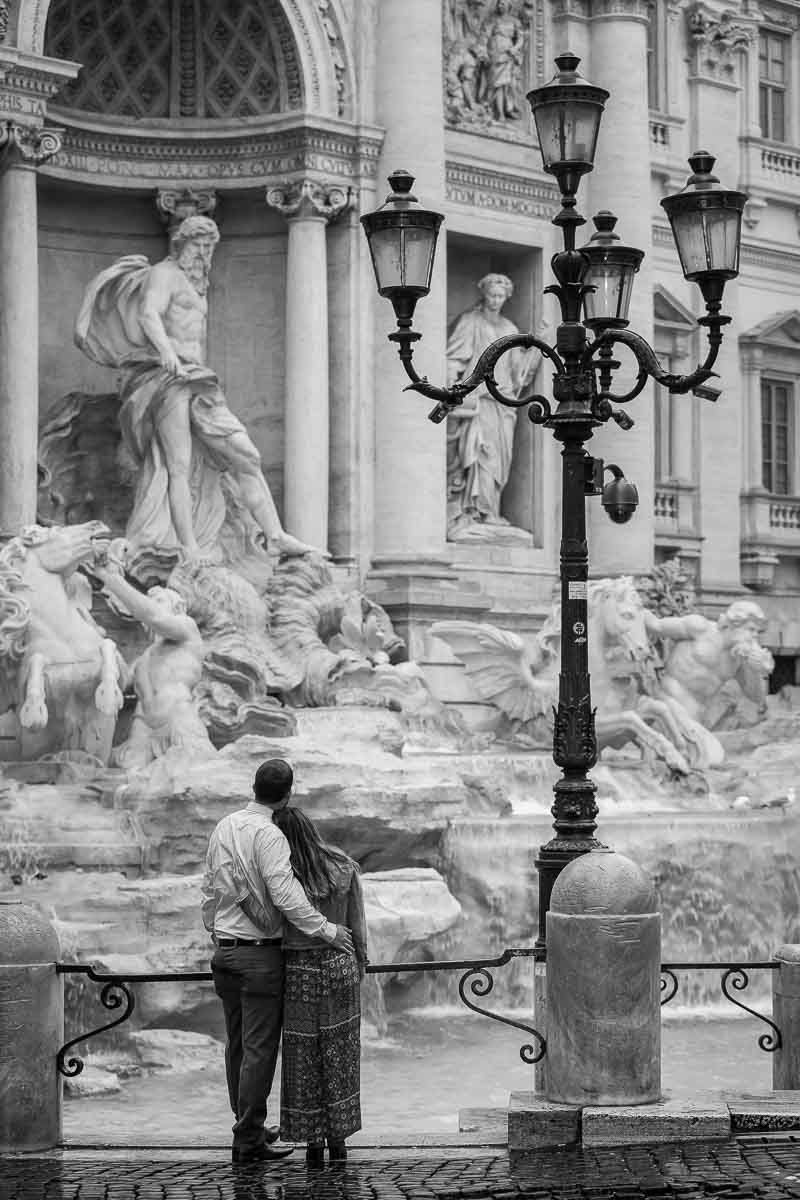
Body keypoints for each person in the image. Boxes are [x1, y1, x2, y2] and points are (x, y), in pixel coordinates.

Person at [75, 215, 316, 562]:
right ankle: (189, 548)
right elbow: (148, 314)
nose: (203, 254)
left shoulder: (196, 283)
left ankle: (274, 534)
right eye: (197, 246)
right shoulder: (164, 274)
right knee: (179, 465)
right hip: (168, 378)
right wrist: (168, 353)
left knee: (247, 455)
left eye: (208, 248)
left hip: (199, 379)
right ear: (181, 244)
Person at [200, 758, 354, 1165]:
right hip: (259, 958)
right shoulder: (270, 835)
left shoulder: (224, 826)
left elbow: (210, 886)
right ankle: (249, 1140)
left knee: (235, 1046)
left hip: (225, 953)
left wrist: (215, 932)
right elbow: (286, 897)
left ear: (253, 786)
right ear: (288, 794)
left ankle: (245, 1125)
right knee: (259, 1051)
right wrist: (328, 930)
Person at [237, 805, 367, 1168]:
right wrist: (361, 963)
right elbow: (357, 920)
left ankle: (312, 1145)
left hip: (299, 971)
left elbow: (267, 923)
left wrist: (240, 894)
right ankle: (338, 1142)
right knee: (341, 1056)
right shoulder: (342, 864)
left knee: (303, 1058)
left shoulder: (284, 873)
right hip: (340, 963)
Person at [91, 553, 214, 769]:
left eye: (158, 601)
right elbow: (115, 685)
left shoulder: (187, 629)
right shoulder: (143, 659)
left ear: (178, 607)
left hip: (176, 717)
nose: (150, 606)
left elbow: (155, 618)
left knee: (194, 772)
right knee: (129, 784)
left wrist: (112, 579)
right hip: (143, 727)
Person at [446, 274, 544, 541]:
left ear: (507, 297)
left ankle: (492, 510)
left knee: (501, 460)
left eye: (500, 296)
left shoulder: (511, 328)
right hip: (480, 399)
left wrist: (535, 353)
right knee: (481, 455)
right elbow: (455, 358)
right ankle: (477, 511)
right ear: (484, 294)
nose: (496, 301)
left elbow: (518, 372)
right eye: (492, 295)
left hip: (504, 402)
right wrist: (450, 384)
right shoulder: (470, 322)